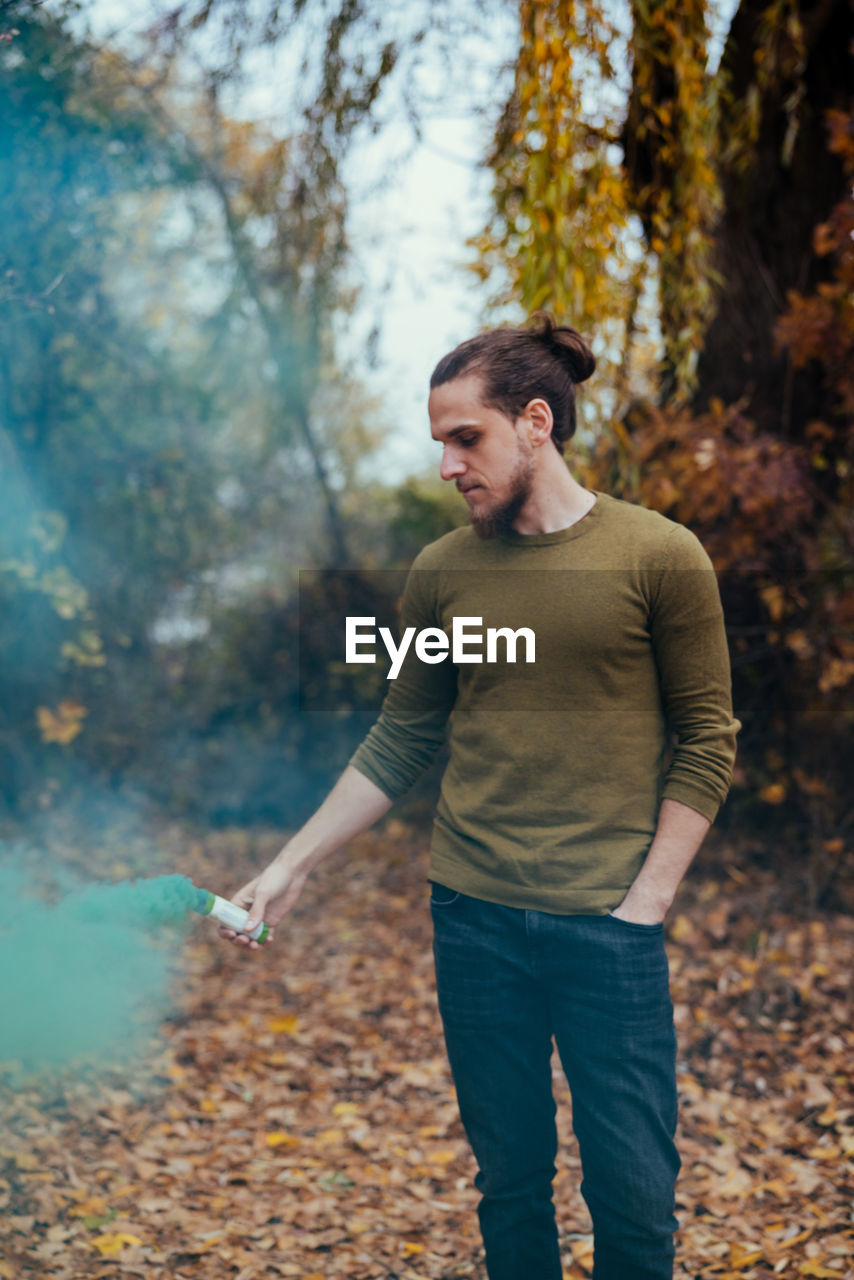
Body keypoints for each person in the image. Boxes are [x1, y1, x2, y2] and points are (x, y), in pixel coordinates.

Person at [220, 313, 740, 1280]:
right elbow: (401, 735)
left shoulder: (658, 556)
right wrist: (286, 866)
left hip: (608, 925)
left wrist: (646, 906)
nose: (450, 466)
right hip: (474, 919)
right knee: (509, 1186)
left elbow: (708, 740)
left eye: (468, 439)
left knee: (633, 1199)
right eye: (441, 445)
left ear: (535, 423)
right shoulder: (442, 573)